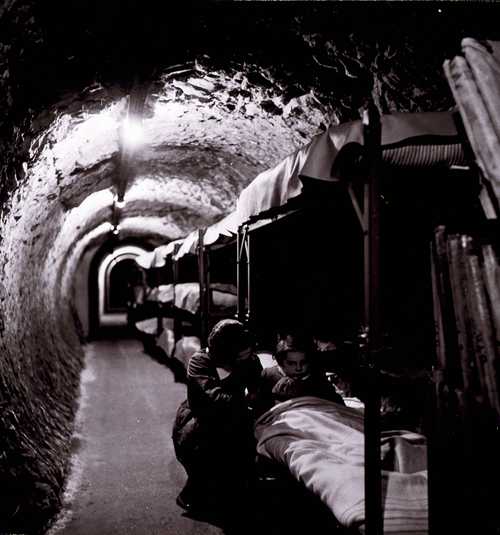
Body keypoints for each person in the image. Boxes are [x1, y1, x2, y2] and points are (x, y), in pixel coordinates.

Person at [172, 319, 262, 517]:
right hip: (200, 419)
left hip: (235, 415)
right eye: (242, 354)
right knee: (209, 449)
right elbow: (214, 398)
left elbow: (258, 387)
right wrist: (246, 398)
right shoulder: (200, 361)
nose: (247, 356)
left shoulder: (250, 359)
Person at [257, 332, 345, 413]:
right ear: (280, 362)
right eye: (291, 363)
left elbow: (338, 406)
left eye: (303, 362)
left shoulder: (315, 376)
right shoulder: (268, 375)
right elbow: (260, 410)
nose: (299, 368)